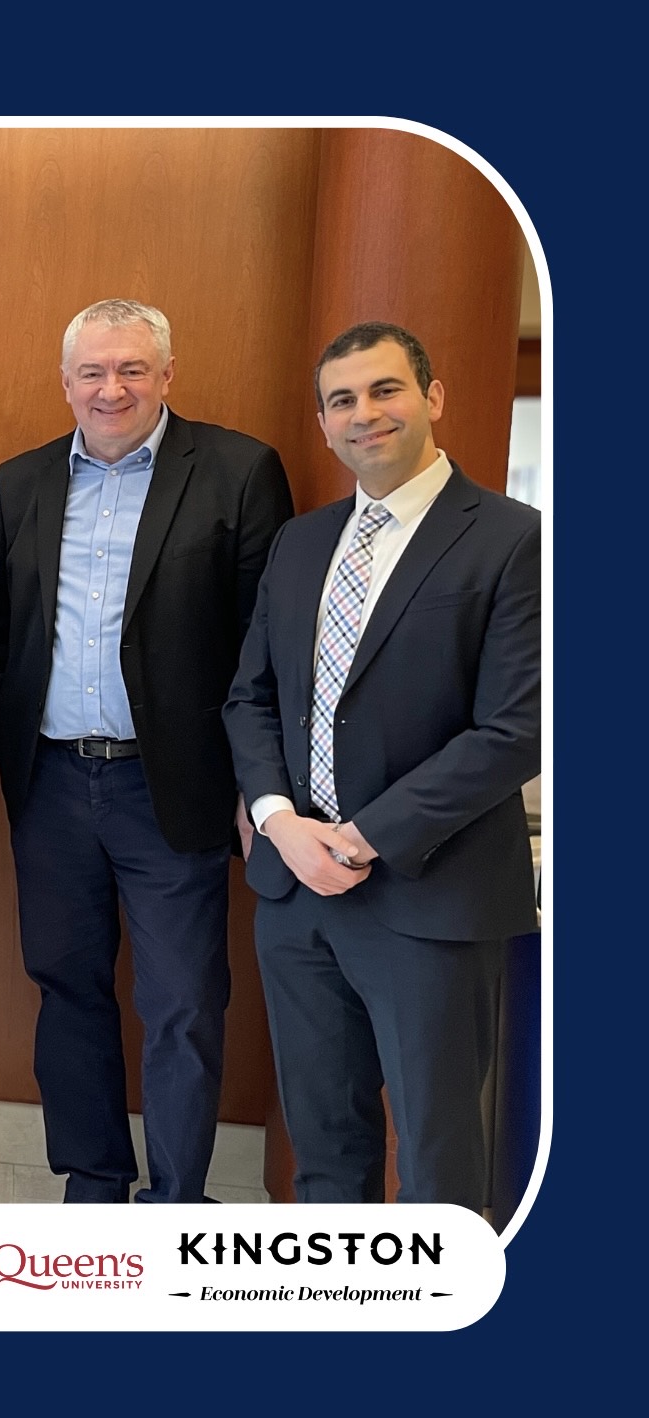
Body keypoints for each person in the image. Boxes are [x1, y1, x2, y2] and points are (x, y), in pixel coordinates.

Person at [0, 298, 294, 1204]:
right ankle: (95, 1177)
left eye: (131, 369)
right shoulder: (22, 480)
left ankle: (178, 1197)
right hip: (52, 784)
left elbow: (263, 643)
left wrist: (255, 782)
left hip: (176, 789)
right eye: (93, 371)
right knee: (66, 987)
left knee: (184, 1003)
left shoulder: (237, 471)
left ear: (166, 374)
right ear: (65, 381)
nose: (111, 388)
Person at [224, 322, 539, 1210]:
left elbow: (517, 729)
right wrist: (283, 823)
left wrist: (360, 839)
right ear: (324, 424)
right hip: (295, 896)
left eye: (385, 390)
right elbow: (249, 699)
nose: (365, 414)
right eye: (342, 400)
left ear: (432, 398)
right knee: (322, 1144)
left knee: (439, 1156)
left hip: (429, 893)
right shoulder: (300, 544)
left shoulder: (514, 539)